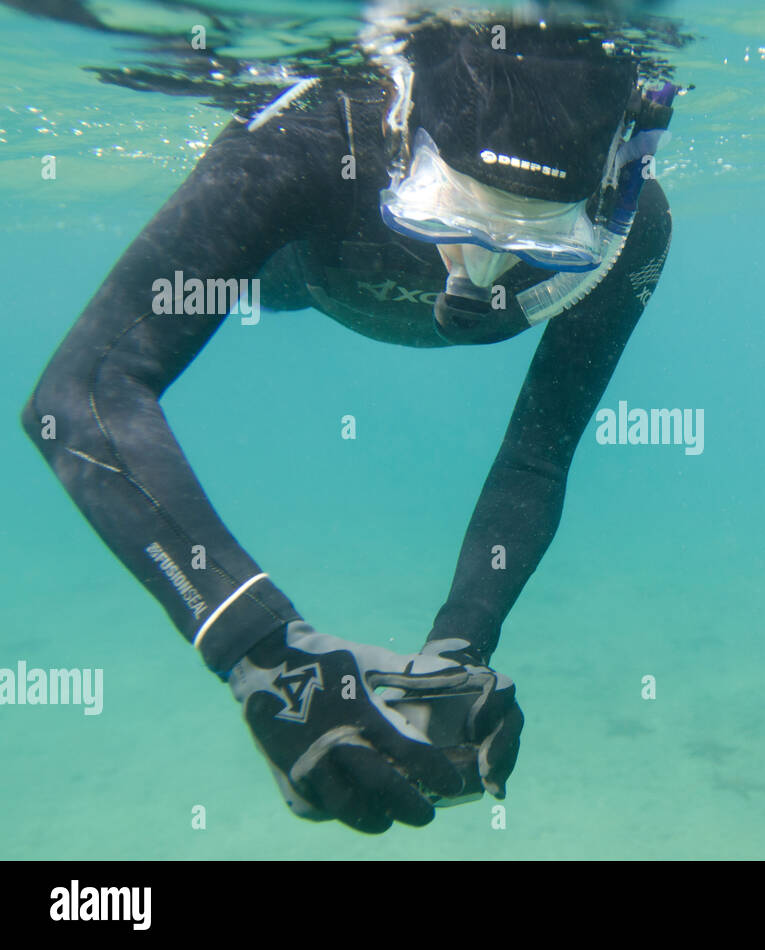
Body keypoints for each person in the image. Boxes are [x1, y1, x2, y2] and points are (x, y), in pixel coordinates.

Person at [19, 14, 678, 834]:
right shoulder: (312, 134)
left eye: (541, 235)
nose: (480, 273)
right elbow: (80, 393)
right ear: (404, 139)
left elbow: (538, 459)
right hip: (290, 275)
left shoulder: (632, 234)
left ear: (608, 195)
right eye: (452, 212)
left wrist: (457, 653)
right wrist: (261, 653)